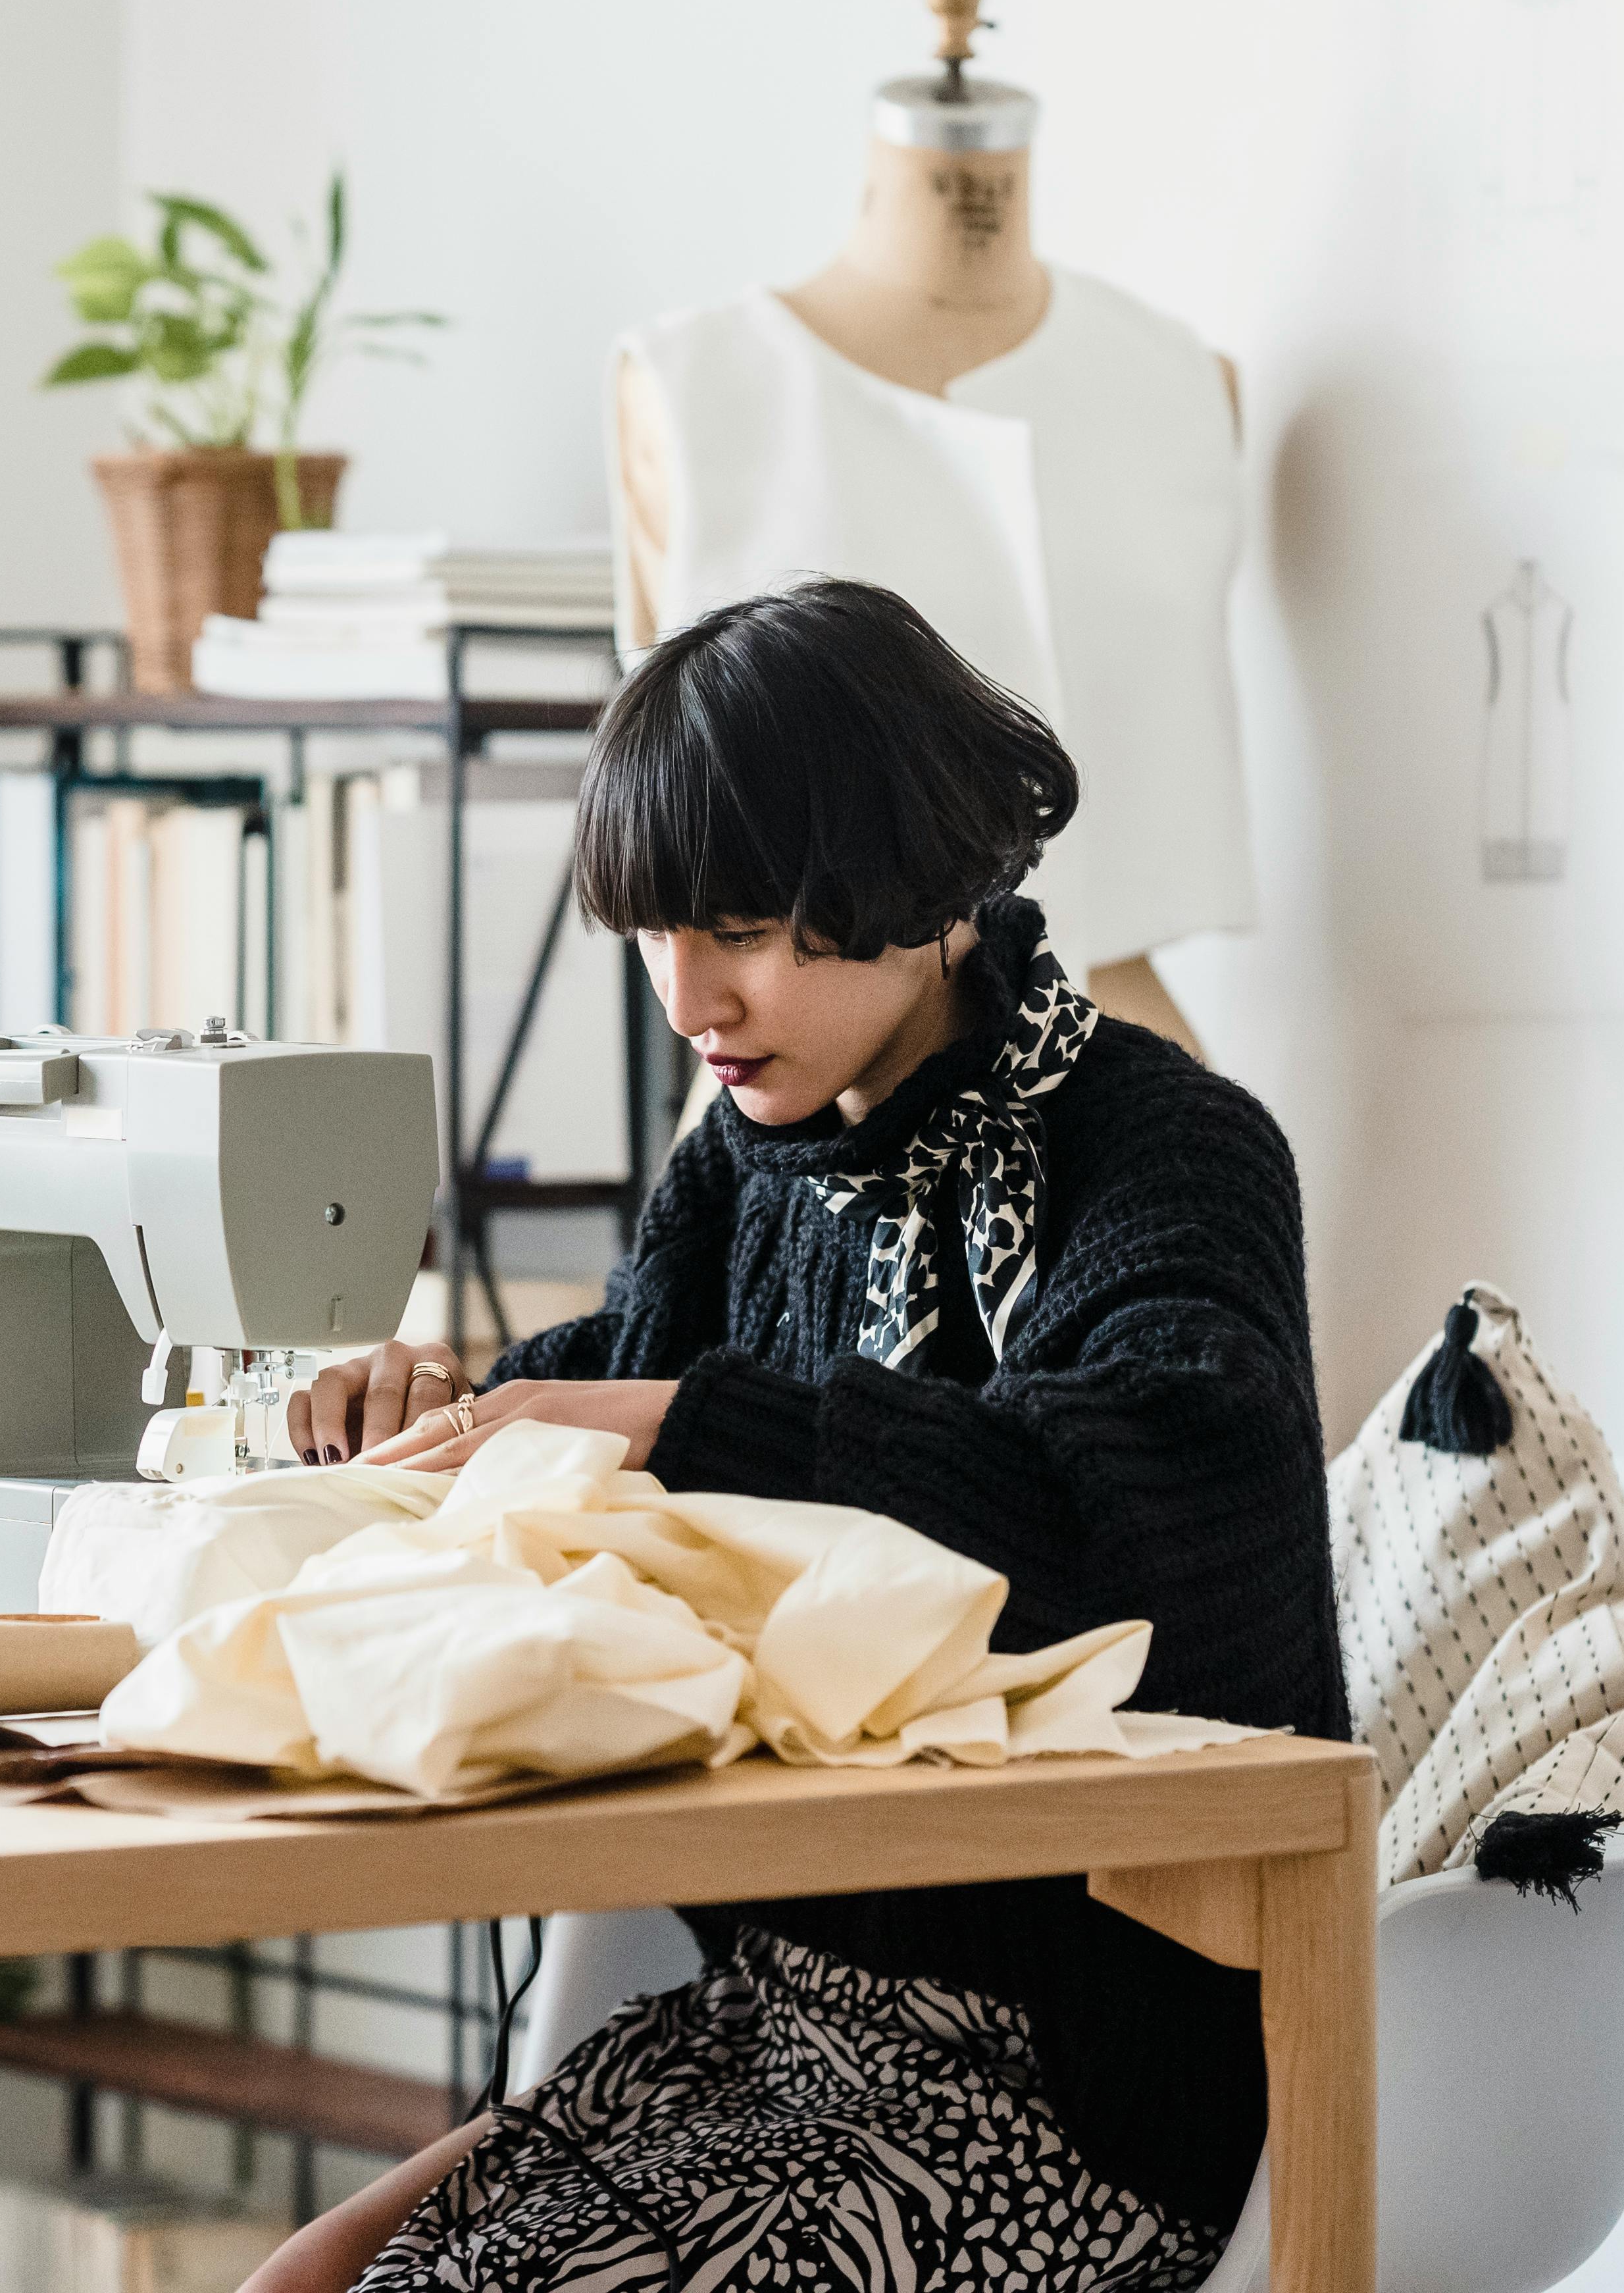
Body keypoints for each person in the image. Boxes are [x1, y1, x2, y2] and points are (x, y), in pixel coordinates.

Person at [253, 577, 1343, 2293]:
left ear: (916, 885)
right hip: (781, 2019)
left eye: (746, 926)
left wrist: (681, 1417)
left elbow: (1130, 1504)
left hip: (1076, 2074)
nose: (692, 993)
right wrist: (429, 1403)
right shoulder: (747, 1168)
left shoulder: (1163, 1149)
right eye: (655, 934)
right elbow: (614, 1364)